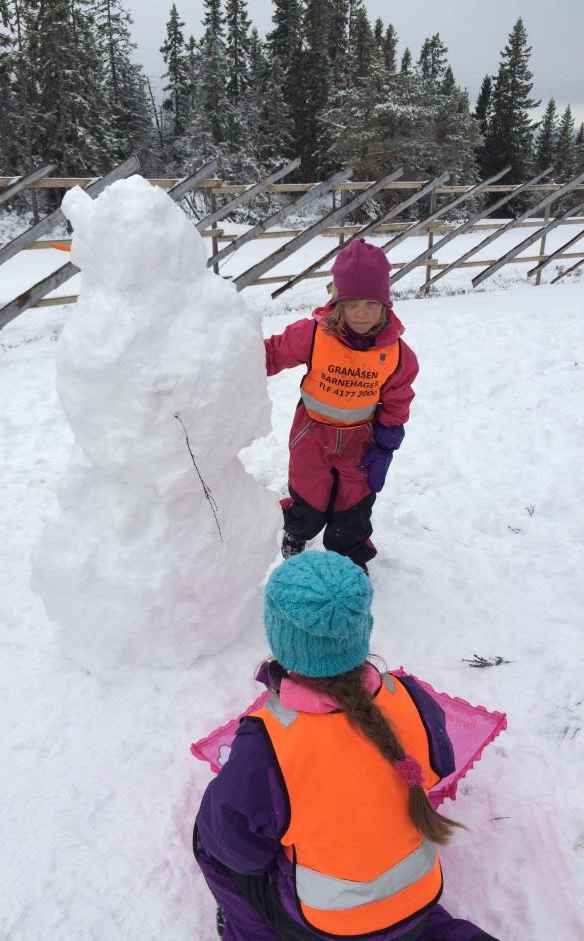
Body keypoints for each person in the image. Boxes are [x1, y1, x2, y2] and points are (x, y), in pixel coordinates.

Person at [194, 551, 499, 941]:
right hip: (418, 896)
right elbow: (437, 768)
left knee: (207, 837)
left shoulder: (267, 744)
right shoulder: (408, 696)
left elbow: (236, 848)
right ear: (362, 629)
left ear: (279, 637)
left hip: (330, 924)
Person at [264, 239, 418, 568]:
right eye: (351, 304)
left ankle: (349, 554)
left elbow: (398, 396)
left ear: (385, 305)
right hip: (312, 432)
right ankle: (297, 529)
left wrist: (387, 442)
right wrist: (237, 355)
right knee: (310, 494)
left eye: (370, 304)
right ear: (337, 303)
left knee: (355, 502)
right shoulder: (314, 335)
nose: (361, 313)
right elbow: (273, 352)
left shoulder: (397, 354)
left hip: (360, 439)